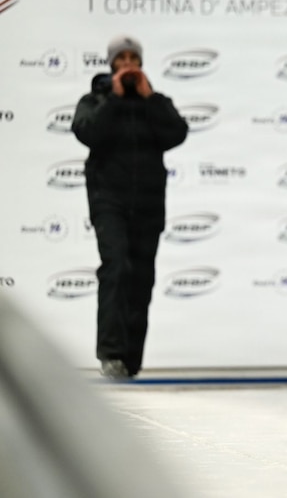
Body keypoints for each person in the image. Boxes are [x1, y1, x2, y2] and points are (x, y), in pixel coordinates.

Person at [71, 35, 188, 379]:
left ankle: (130, 361)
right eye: (120, 59)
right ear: (111, 65)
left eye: (132, 58)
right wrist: (115, 98)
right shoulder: (95, 100)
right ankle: (110, 354)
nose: (127, 64)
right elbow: (87, 132)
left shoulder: (156, 102)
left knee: (141, 278)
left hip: (149, 205)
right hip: (109, 201)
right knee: (116, 267)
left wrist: (149, 98)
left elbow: (177, 133)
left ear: (140, 63)